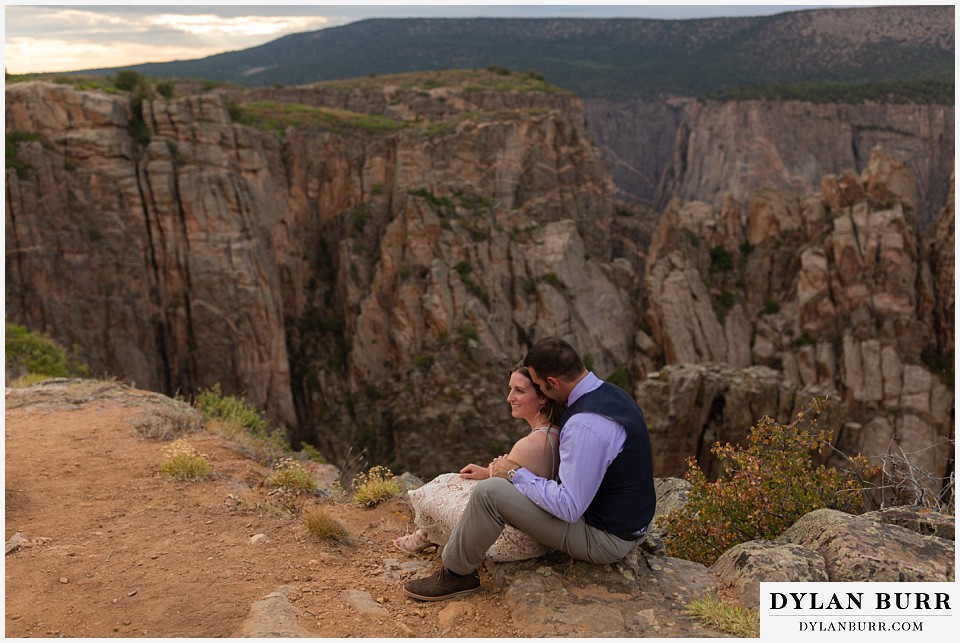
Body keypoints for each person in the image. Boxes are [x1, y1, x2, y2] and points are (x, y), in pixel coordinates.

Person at [403, 336, 656, 601]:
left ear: (552, 384)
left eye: (536, 384)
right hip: (631, 524)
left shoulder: (584, 425)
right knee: (492, 485)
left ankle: (457, 575)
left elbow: (569, 508)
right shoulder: (610, 393)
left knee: (489, 493)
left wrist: (513, 473)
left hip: (606, 540)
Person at [395, 364, 564, 562]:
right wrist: (489, 472)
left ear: (543, 397)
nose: (510, 397)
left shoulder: (530, 445)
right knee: (457, 482)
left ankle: (424, 536)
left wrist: (495, 473)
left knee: (437, 489)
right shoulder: (555, 432)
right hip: (539, 533)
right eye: (510, 389)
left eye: (519, 391)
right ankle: (426, 535)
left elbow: (505, 497)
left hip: (513, 539)